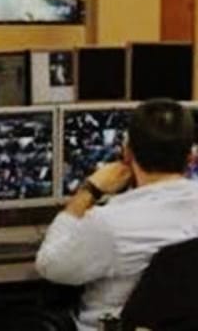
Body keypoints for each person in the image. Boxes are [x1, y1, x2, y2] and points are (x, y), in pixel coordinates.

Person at [36, 98, 198, 330]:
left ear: (127, 153)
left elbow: (50, 266)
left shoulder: (109, 223)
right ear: (191, 157)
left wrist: (89, 191)